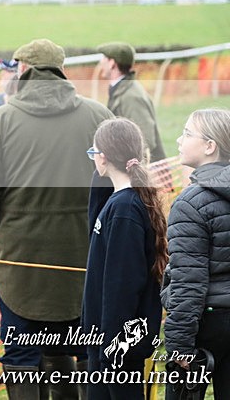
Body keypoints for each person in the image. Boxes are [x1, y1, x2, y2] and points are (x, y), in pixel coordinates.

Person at [0, 38, 113, 399]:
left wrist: (1, 231)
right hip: (86, 261)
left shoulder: (1, 120)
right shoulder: (99, 117)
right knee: (88, 350)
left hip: (20, 264)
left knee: (21, 353)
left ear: (24, 70)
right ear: (61, 71)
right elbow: (120, 187)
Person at [82, 118, 167, 400]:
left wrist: (111, 349)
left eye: (94, 152)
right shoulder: (117, 201)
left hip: (116, 347)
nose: (93, 158)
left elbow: (122, 286)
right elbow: (94, 226)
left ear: (104, 157)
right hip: (104, 340)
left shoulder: (124, 211)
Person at [162, 108, 230, 399]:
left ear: (209, 146)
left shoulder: (190, 204)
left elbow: (188, 282)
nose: (179, 140)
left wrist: (178, 346)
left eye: (187, 133)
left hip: (207, 323)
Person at [97, 42, 166, 163]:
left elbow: (146, 140)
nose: (101, 62)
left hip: (142, 171)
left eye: (104, 58)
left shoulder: (131, 97)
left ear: (112, 63)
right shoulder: (122, 90)